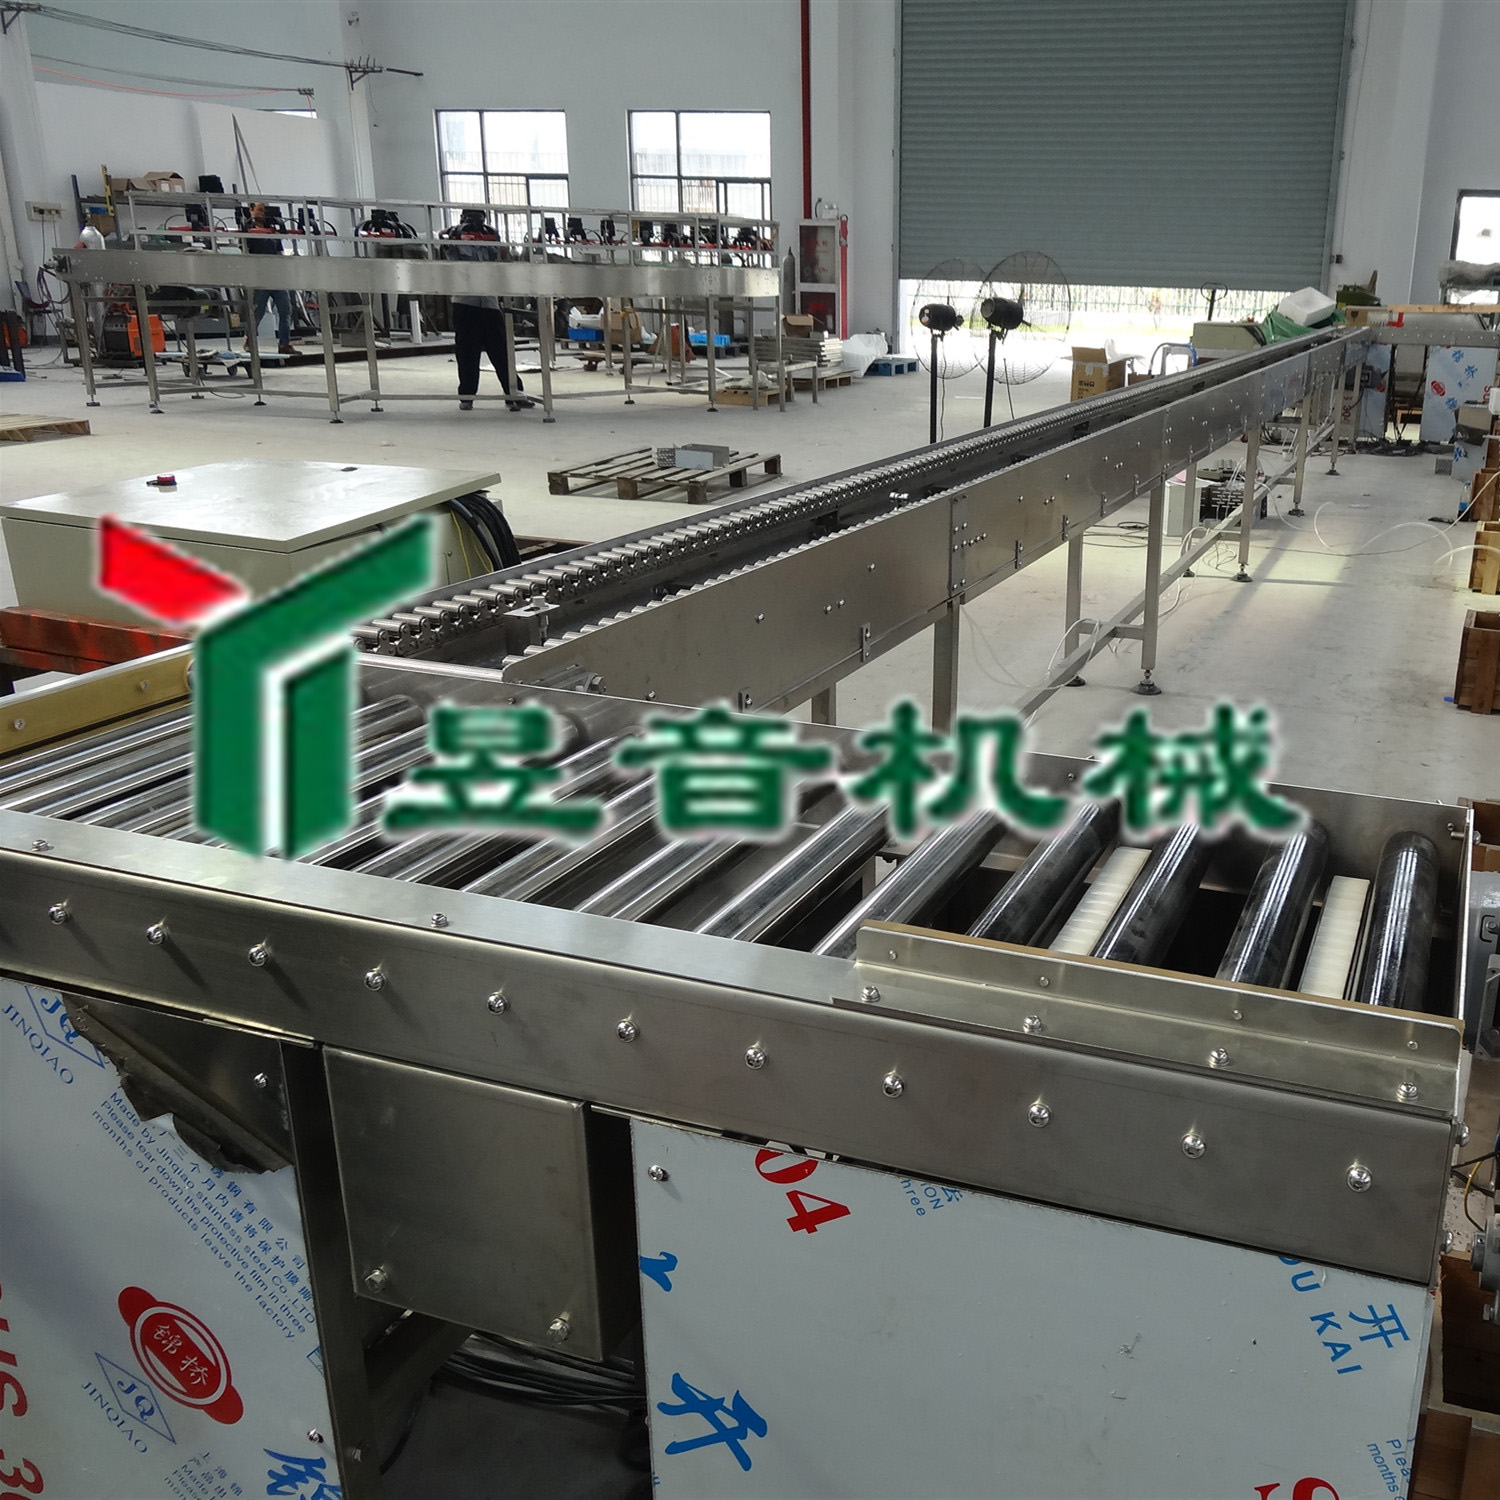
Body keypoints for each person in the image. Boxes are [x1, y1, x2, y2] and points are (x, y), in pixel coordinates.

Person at [440, 208, 526, 411]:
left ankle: (514, 393)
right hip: (465, 303)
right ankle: (467, 396)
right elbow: (443, 244)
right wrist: (454, 232)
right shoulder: (455, 238)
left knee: (502, 353)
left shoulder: (490, 237)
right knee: (467, 353)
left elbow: (501, 258)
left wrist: (494, 238)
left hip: (489, 303)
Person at [245, 202, 294, 355]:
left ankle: (284, 343)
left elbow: (279, 253)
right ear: (252, 210)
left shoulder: (272, 231)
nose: (262, 213)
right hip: (261, 278)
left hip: (277, 277)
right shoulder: (248, 231)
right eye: (259, 210)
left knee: (285, 310)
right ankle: (249, 340)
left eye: (265, 211)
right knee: (257, 312)